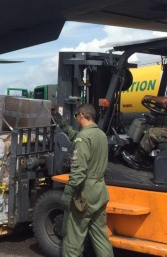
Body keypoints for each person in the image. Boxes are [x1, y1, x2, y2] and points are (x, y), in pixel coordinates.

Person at [54, 103, 113, 257]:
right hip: (99, 191)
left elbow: (78, 172)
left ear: (81, 115)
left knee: (72, 240)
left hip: (85, 194)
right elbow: (78, 138)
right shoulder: (100, 134)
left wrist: (68, 193)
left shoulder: (83, 138)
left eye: (76, 116)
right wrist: (64, 125)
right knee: (100, 238)